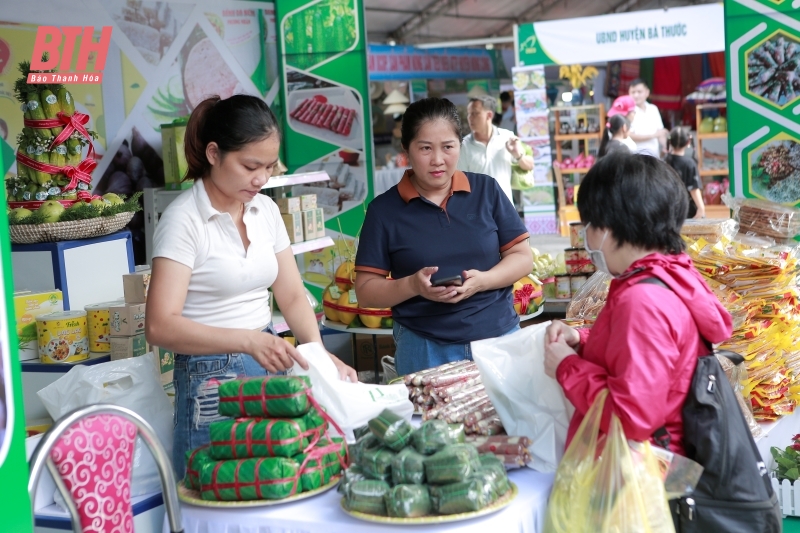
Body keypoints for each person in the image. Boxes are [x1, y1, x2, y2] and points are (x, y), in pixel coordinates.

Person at [145, 94, 357, 476]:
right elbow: (161, 325)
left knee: (271, 484)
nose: (261, 179)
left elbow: (291, 295)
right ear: (214, 154)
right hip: (209, 378)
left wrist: (320, 358)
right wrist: (247, 340)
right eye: (249, 166)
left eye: (269, 167)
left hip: (267, 359)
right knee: (216, 490)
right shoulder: (183, 221)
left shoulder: (266, 209)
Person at [543, 153, 732, 456]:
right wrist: (580, 340)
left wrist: (567, 366)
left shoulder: (642, 300)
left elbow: (631, 417)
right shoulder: (669, 275)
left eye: (588, 224)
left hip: (640, 478)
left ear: (608, 226)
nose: (586, 236)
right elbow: (649, 355)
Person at [354, 97, 533, 376]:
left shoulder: (487, 191)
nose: (438, 160)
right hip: (424, 348)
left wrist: (482, 281)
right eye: (425, 148)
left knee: (507, 420)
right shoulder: (384, 211)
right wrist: (414, 285)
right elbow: (365, 291)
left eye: (448, 147)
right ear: (406, 149)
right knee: (427, 422)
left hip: (498, 340)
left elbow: (522, 257)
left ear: (460, 145)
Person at [457, 95, 533, 203]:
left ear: (489, 115)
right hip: (478, 212)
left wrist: (517, 154)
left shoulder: (507, 137)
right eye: (469, 114)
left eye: (475, 113)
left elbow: (529, 166)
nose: (470, 118)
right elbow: (460, 182)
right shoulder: (464, 146)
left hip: (505, 209)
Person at [665, 127, 705, 219]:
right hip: (686, 210)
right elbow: (693, 188)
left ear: (670, 143)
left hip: (668, 209)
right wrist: (701, 207)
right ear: (688, 143)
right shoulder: (689, 163)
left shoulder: (664, 162)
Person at [628, 79, 669, 157]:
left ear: (647, 92)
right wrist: (654, 135)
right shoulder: (628, 111)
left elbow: (660, 132)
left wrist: (665, 146)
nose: (636, 95)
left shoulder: (653, 109)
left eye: (639, 92)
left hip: (654, 156)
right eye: (633, 92)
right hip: (635, 157)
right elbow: (629, 135)